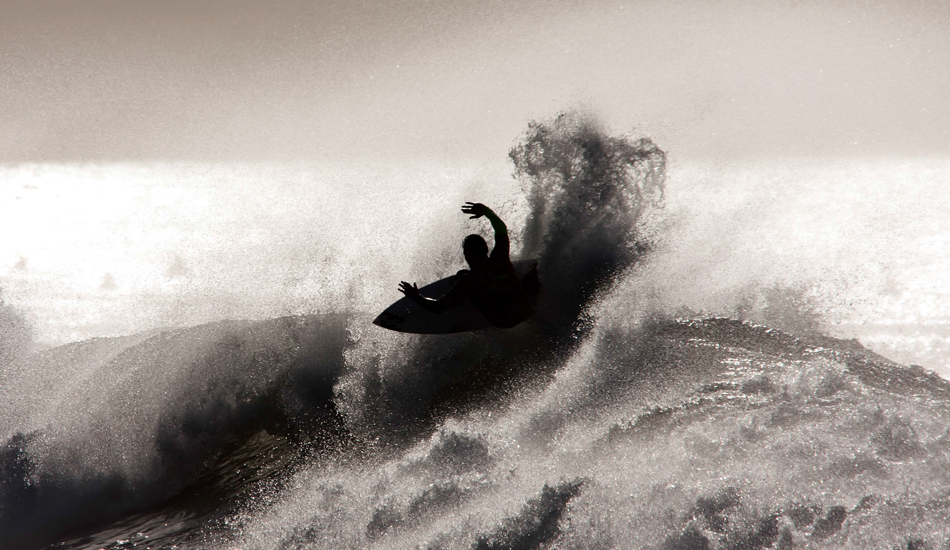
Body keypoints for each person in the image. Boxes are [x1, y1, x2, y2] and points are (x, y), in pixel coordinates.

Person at [399, 202, 535, 329]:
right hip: (527, 310)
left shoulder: (467, 281)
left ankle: (461, 302)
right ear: (486, 249)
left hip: (503, 323)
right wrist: (485, 211)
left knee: (462, 278)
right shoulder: (500, 256)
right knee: (532, 272)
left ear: (468, 255)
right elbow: (501, 227)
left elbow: (438, 308)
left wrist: (415, 296)